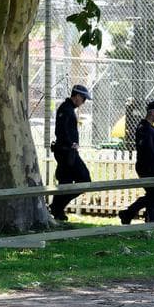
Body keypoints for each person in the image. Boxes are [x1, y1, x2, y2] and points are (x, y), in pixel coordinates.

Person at [49, 84, 93, 221]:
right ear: (77, 96)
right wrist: (71, 144)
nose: (83, 102)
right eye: (83, 99)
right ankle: (56, 207)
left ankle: (58, 210)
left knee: (65, 182)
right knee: (84, 180)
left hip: (66, 151)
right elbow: (61, 131)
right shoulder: (66, 109)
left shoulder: (67, 108)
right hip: (66, 152)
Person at [119, 100, 154, 224]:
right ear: (152, 112)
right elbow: (149, 151)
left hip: (150, 167)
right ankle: (149, 220)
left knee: (153, 195)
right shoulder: (144, 128)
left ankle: (130, 214)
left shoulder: (149, 127)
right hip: (147, 167)